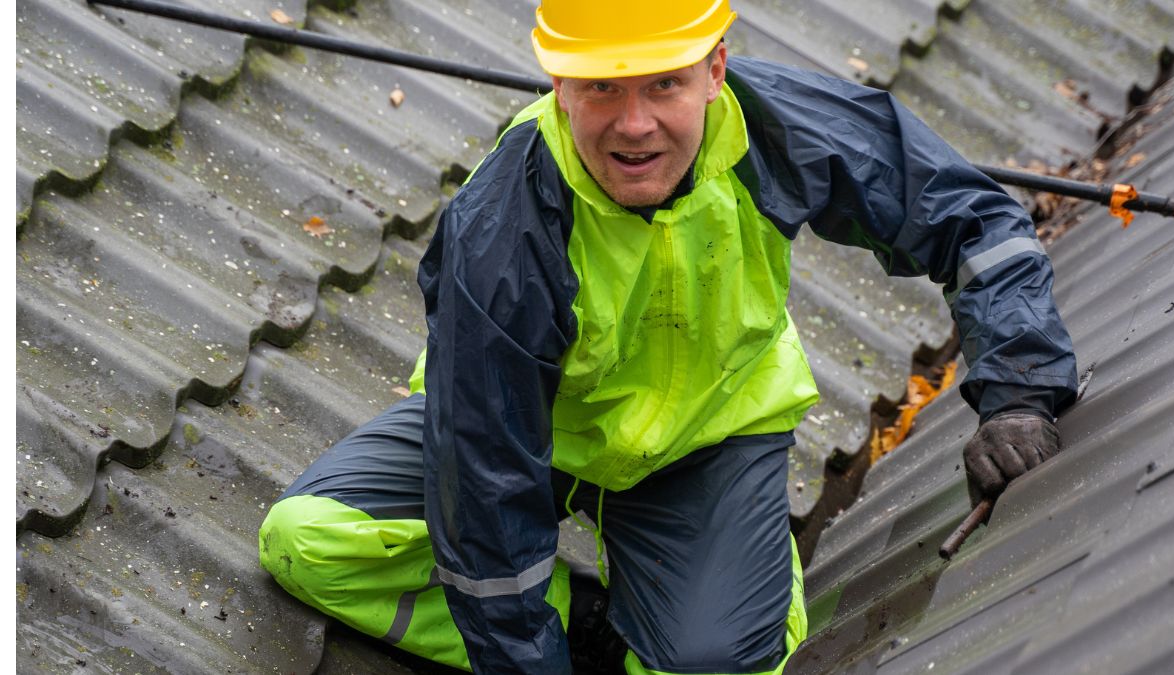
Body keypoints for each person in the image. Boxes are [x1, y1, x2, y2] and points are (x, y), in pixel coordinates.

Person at [258, 1, 1078, 673]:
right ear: (560, 82)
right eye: (604, 89)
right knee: (308, 540)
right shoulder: (503, 231)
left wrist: (1017, 390)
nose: (635, 124)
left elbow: (973, 219)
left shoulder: (776, 128)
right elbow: (484, 479)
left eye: (665, 84)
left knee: (715, 663)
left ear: (715, 71)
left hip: (705, 438)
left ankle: (735, 589)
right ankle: (590, 625)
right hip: (533, 437)